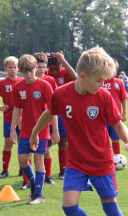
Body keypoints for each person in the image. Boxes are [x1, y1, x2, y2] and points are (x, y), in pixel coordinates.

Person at [29, 46, 128, 216]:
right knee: (69, 206)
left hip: (101, 162)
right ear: (82, 76)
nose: (103, 85)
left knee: (110, 208)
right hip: (76, 162)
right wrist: (35, 132)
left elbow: (118, 123)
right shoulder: (61, 94)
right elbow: (50, 113)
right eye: (99, 80)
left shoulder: (103, 96)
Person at [9, 54, 54, 205]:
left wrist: (56, 131)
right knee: (22, 160)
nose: (28, 74)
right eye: (25, 72)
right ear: (20, 72)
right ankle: (34, 182)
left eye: (31, 71)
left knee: (38, 159)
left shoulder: (44, 86)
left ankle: (39, 195)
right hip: (25, 131)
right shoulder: (18, 87)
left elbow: (53, 110)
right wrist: (13, 128)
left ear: (36, 68)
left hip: (42, 130)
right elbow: (16, 108)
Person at [0, 56, 23, 178]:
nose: (13, 70)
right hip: (8, 118)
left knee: (22, 143)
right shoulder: (2, 83)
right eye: (10, 67)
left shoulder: (22, 82)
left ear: (18, 68)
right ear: (5, 68)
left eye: (15, 67)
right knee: (8, 143)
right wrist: (0, 107)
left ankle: (22, 170)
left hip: (22, 119)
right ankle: (5, 170)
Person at [45, 51, 77, 180]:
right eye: (51, 69)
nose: (53, 72)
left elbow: (75, 77)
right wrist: (40, 58)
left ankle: (63, 171)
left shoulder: (65, 72)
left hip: (64, 113)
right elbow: (33, 71)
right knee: (47, 144)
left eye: (56, 69)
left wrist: (63, 60)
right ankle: (46, 173)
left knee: (63, 142)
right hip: (49, 113)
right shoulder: (45, 73)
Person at [34, 52, 60, 184]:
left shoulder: (50, 81)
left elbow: (53, 106)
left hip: (46, 123)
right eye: (39, 66)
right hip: (30, 122)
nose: (42, 70)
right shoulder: (25, 81)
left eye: (44, 67)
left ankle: (47, 176)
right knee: (28, 151)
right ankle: (27, 179)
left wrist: (55, 129)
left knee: (47, 150)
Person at [103, 58, 128, 155]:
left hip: (115, 117)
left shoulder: (119, 82)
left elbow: (124, 98)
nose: (114, 72)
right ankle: (104, 159)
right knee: (103, 140)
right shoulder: (101, 82)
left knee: (116, 139)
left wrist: (124, 113)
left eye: (115, 70)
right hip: (102, 117)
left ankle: (117, 158)